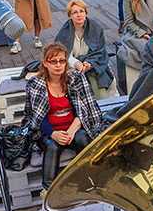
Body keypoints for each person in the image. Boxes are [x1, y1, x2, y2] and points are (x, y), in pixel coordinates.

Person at [24, 42, 107, 189]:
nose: (58, 65)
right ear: (45, 63)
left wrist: (71, 131)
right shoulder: (36, 84)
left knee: (82, 138)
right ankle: (48, 189)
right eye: (53, 61)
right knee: (52, 146)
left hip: (72, 127)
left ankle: (90, 182)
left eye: (62, 61)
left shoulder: (76, 79)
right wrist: (53, 133)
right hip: (49, 130)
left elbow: (84, 110)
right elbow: (37, 117)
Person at [54, 0, 116, 100]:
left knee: (99, 78)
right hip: (72, 65)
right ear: (70, 16)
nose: (79, 15)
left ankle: (102, 106)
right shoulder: (64, 32)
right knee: (69, 81)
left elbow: (100, 52)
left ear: (86, 13)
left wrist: (89, 63)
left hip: (92, 63)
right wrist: (76, 64)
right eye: (74, 12)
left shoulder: (96, 29)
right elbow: (61, 54)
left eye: (81, 11)